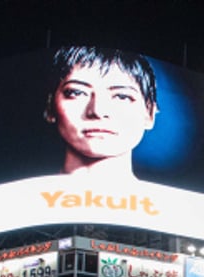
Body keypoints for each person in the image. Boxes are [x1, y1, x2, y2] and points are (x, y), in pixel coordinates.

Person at [45, 46, 157, 179]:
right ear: (50, 107)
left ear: (149, 113)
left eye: (122, 96)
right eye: (77, 92)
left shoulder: (177, 200)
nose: (98, 111)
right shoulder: (20, 195)